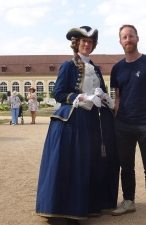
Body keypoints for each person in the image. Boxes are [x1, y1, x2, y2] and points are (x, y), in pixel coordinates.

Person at [35, 26, 119, 225]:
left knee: (89, 163)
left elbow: (101, 92)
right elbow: (59, 93)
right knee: (72, 164)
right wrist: (82, 96)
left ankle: (86, 206)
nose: (87, 45)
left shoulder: (97, 69)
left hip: (92, 122)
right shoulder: (68, 66)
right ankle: (66, 209)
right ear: (76, 44)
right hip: (71, 122)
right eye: (83, 41)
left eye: (90, 42)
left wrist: (104, 98)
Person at [110, 24, 146, 220]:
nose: (128, 40)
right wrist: (116, 116)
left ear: (137, 38)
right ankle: (129, 201)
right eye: (124, 37)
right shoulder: (117, 68)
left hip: (145, 124)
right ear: (120, 41)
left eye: (131, 36)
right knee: (126, 166)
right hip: (123, 123)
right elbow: (117, 97)